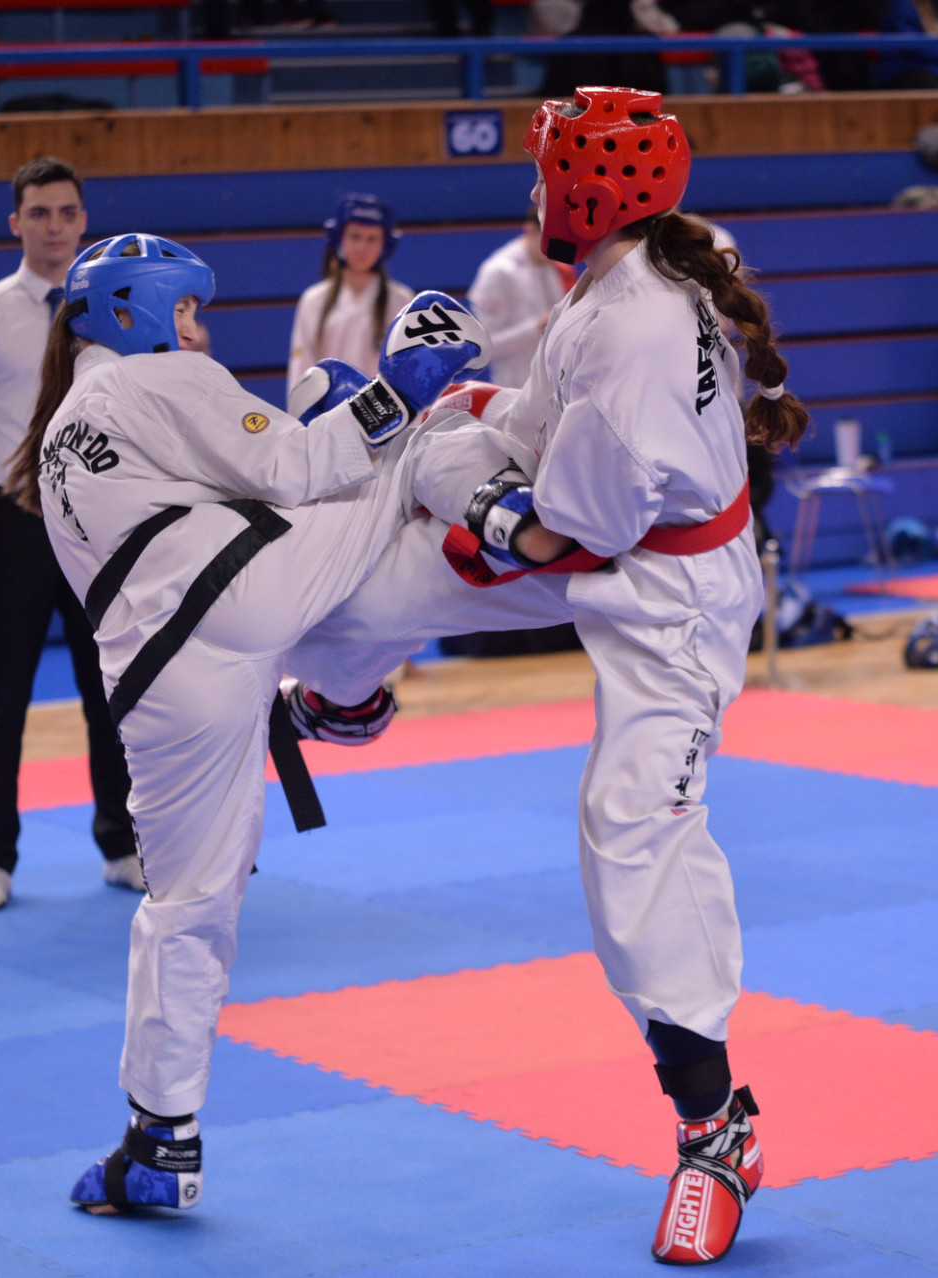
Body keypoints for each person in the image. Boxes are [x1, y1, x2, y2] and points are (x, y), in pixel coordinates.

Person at [285, 85, 809, 1266]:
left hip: (671, 597)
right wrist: (457, 411)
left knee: (631, 833)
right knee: (364, 589)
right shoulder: (636, 274)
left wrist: (458, 477)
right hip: (612, 536)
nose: (532, 193)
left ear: (589, 193)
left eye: (545, 174)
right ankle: (348, 694)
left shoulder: (633, 330)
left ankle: (717, 1129)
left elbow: (551, 536)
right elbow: (544, 429)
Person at [2, 235, 503, 1217]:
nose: (198, 329)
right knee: (412, 451)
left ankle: (158, 1140)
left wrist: (335, 411)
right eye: (185, 308)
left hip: (151, 683)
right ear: (132, 310)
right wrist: (401, 382)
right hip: (239, 596)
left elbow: (248, 475)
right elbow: (298, 463)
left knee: (184, 905)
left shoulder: (63, 427)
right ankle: (366, 673)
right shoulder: (155, 378)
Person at [0, 155, 138, 913]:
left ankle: (123, 842)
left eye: (67, 212)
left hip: (98, 521)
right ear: (16, 223)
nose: (54, 227)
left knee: (112, 688)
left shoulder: (115, 311)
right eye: (39, 213)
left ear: (85, 221)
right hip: (13, 522)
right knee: (0, 696)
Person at [286, 193, 416, 414]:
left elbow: (408, 374)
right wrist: (302, 419)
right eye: (355, 236)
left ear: (385, 244)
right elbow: (302, 370)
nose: (362, 247)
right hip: (327, 418)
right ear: (339, 238)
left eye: (372, 238)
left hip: (384, 419)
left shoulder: (402, 300)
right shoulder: (314, 300)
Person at [466, 204, 574, 389]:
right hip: (514, 390)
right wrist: (537, 327)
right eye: (553, 240)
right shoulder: (497, 271)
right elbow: (485, 348)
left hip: (557, 387)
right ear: (530, 230)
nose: (558, 249)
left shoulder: (555, 268)